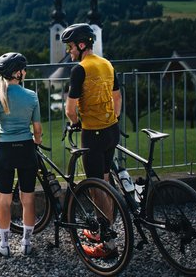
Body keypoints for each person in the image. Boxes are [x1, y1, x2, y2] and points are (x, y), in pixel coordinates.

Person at [61, 23, 123, 259]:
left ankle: (107, 245)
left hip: (93, 134)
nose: (69, 51)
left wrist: (77, 122)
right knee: (105, 181)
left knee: (96, 187)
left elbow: (70, 109)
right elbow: (117, 97)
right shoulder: (107, 63)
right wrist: (112, 118)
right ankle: (102, 229)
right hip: (111, 131)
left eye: (70, 46)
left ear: (82, 44)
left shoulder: (80, 70)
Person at [0, 52, 43, 257]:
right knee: (28, 199)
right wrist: (37, 141)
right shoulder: (32, 96)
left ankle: (4, 245)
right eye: (23, 69)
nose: (25, 72)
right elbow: (37, 129)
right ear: (17, 73)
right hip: (27, 150)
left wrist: (1, 141)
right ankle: (26, 243)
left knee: (4, 200)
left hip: (5, 152)